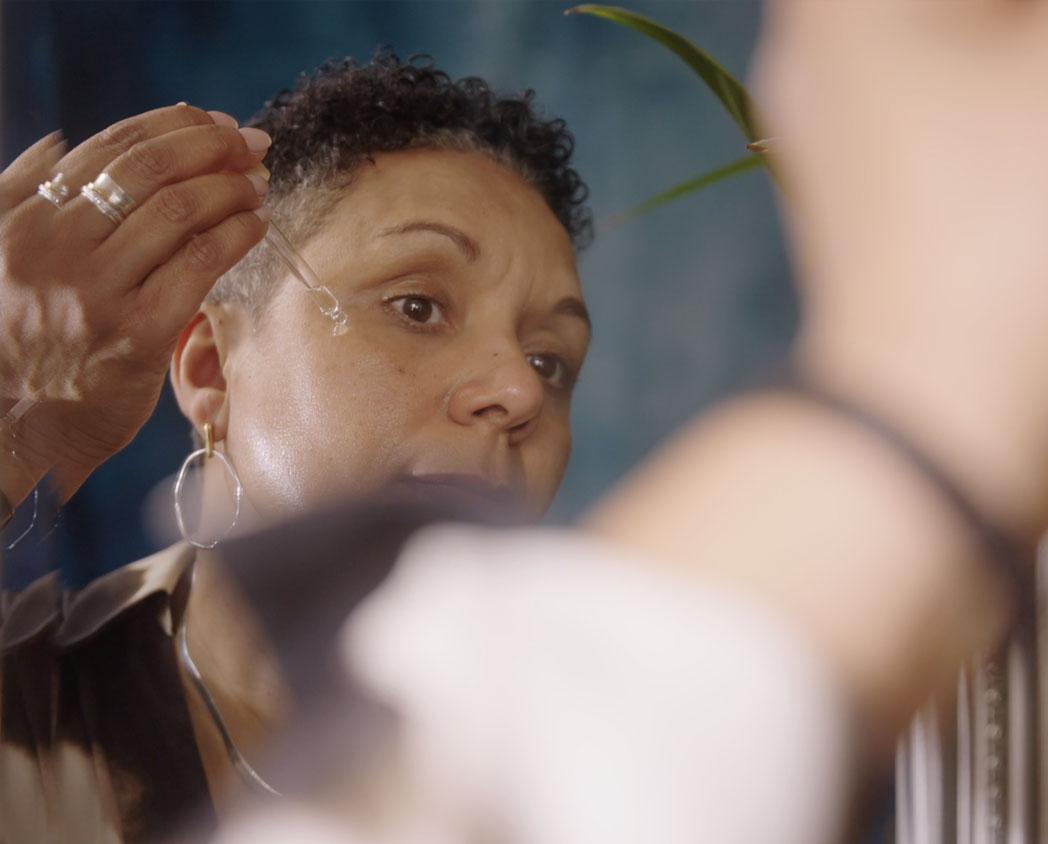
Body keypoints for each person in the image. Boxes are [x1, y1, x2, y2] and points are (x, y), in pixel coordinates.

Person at [0, 52, 592, 842]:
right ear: (212, 370)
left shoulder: (619, 759)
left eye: (550, 362)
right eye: (417, 305)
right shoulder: (28, 711)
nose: (518, 391)